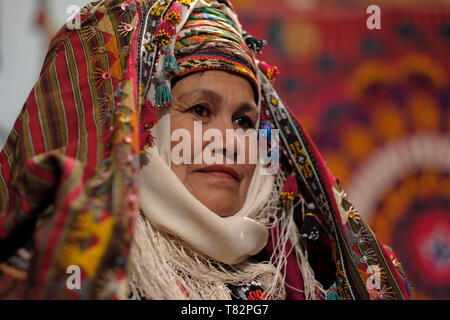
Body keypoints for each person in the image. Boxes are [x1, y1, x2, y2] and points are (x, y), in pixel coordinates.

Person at [0, 0, 411, 300]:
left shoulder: (303, 278)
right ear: (141, 126)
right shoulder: (68, 270)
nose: (229, 142)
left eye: (244, 121)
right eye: (200, 109)